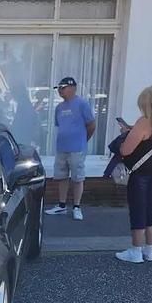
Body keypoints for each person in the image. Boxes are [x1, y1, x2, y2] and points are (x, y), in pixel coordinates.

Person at [114, 85, 152, 264]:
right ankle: (150, 251)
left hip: (141, 171)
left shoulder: (144, 122)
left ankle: (135, 251)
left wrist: (126, 135)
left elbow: (126, 150)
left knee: (138, 209)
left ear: (148, 103)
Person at [45, 77, 96, 221]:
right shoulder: (59, 108)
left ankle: (76, 207)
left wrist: (83, 140)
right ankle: (61, 205)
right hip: (62, 147)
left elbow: (91, 125)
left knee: (77, 177)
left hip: (77, 148)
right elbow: (59, 126)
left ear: (72, 88)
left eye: (63, 87)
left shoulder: (82, 104)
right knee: (61, 176)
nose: (60, 91)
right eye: (59, 88)